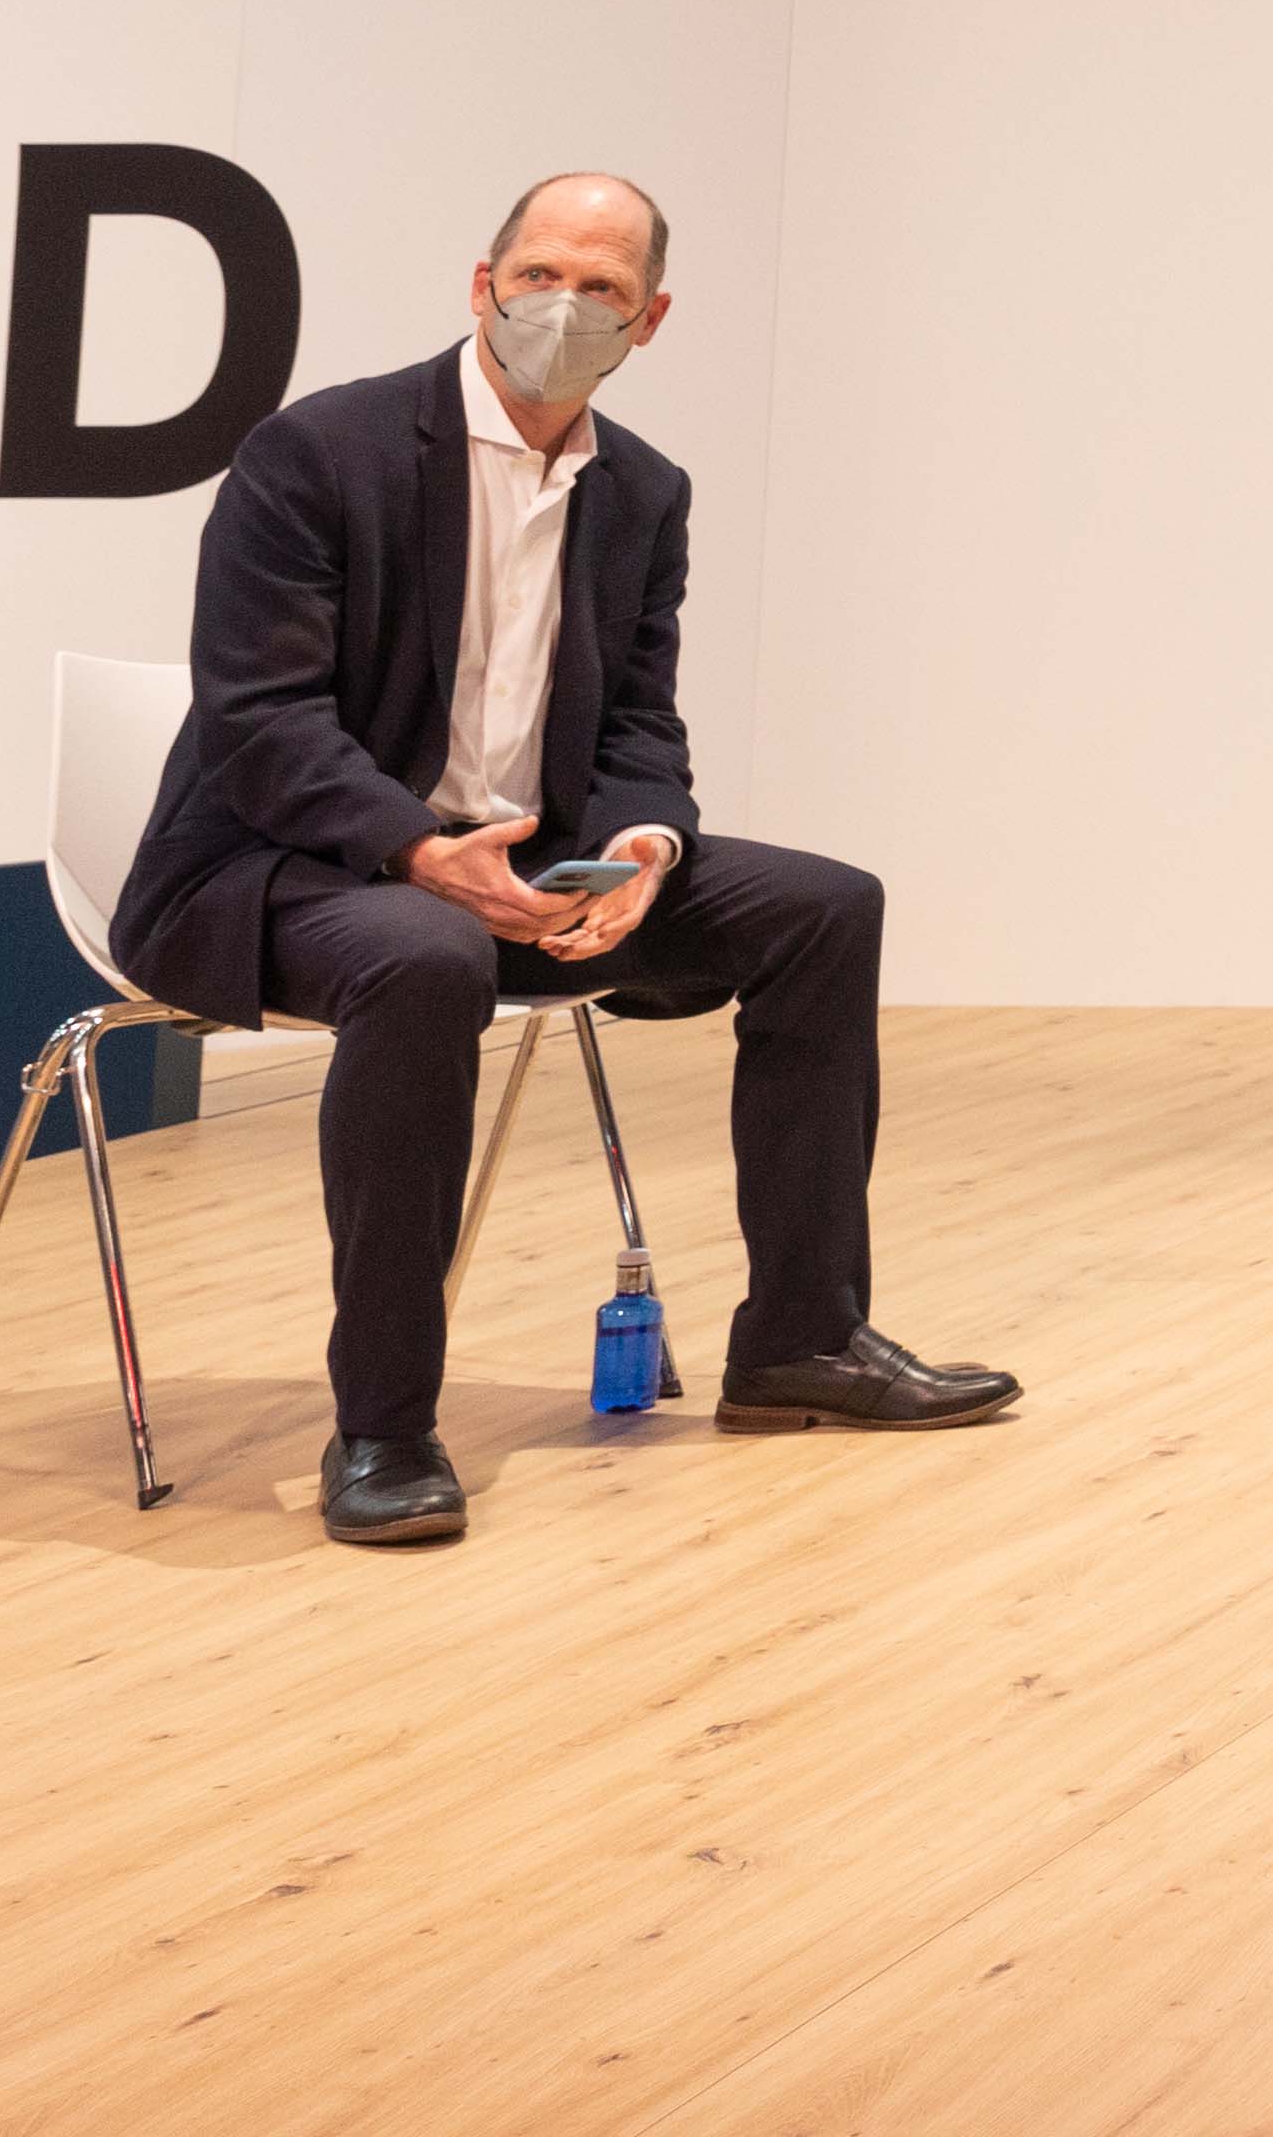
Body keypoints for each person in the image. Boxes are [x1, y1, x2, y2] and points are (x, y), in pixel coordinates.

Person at [112, 173, 1013, 1549]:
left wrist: (644, 847)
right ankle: (384, 1425)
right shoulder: (320, 452)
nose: (564, 306)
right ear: (483, 286)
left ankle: (801, 1342)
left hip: (529, 873)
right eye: (540, 274)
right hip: (286, 869)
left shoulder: (642, 488)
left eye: (602, 288)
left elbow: (641, 720)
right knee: (428, 955)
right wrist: (421, 850)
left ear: (650, 319)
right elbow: (261, 719)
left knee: (827, 907)